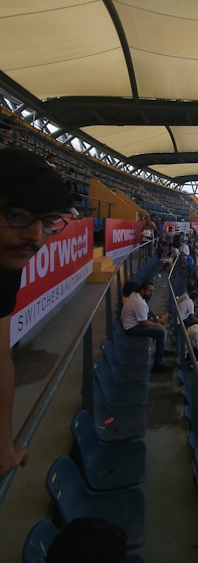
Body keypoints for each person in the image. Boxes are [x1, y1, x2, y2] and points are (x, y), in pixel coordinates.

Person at [0, 149, 72, 476]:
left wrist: (4, 448)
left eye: (45, 222)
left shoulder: (6, 264)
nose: (35, 236)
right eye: (17, 214)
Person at [119, 280, 171, 373]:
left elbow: (147, 310)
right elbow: (143, 322)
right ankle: (157, 365)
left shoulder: (137, 295)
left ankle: (161, 349)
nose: (151, 293)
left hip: (134, 324)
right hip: (131, 329)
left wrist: (156, 318)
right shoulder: (139, 303)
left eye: (152, 291)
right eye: (149, 291)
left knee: (160, 329)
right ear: (142, 290)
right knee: (161, 332)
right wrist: (157, 324)